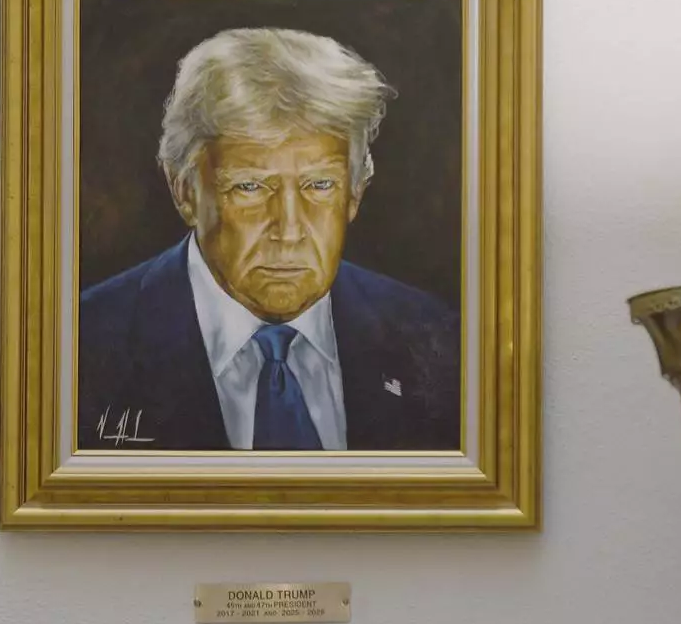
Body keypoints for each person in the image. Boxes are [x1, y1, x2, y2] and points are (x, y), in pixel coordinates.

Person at [77, 27, 460, 451]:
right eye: (250, 187)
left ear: (355, 193)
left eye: (319, 185)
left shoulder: (436, 339)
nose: (289, 230)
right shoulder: (78, 350)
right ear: (184, 192)